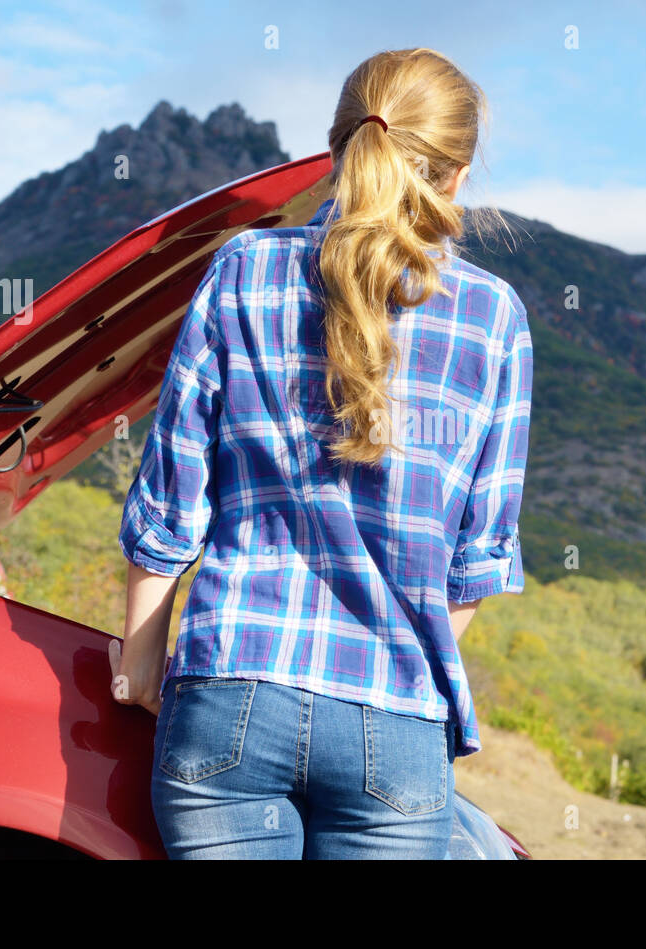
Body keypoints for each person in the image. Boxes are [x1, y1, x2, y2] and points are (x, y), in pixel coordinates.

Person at [109, 47, 533, 859]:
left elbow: (170, 508)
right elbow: (478, 562)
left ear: (337, 148)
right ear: (459, 174)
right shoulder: (493, 317)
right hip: (396, 725)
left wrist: (140, 659)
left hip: (228, 695)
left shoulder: (241, 271)